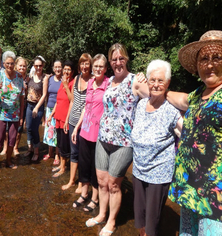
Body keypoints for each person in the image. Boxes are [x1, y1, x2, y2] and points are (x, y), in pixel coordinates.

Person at [167, 30, 222, 236]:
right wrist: (160, 91)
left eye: (217, 58)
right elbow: (181, 100)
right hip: (191, 200)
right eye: (203, 59)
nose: (209, 64)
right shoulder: (199, 93)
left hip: (221, 208)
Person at [85, 43, 149, 236]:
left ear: (126, 59)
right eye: (114, 59)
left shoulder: (135, 81)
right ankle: (101, 214)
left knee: (114, 184)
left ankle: (111, 222)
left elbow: (156, 97)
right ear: (110, 62)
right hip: (102, 138)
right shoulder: (109, 80)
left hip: (124, 143)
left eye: (121, 58)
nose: (118, 62)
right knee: (102, 181)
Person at [131, 59, 182, 236]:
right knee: (140, 215)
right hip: (138, 169)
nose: (156, 84)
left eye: (161, 81)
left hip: (159, 173)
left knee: (152, 220)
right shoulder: (140, 105)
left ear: (168, 83)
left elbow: (188, 134)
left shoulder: (171, 110)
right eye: (152, 80)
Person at [71, 54, 109, 211]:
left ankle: (94, 198)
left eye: (101, 66)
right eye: (96, 66)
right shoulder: (91, 82)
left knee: (96, 167)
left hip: (99, 134)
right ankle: (84, 194)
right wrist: (76, 127)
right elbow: (86, 108)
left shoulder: (109, 84)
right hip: (85, 131)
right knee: (84, 164)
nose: (98, 68)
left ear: (106, 68)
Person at [62, 53, 93, 192]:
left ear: (90, 65)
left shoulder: (93, 80)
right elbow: (72, 100)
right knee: (74, 152)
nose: (84, 66)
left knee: (83, 153)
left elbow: (88, 105)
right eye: (82, 63)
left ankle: (82, 183)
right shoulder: (76, 79)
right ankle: (71, 181)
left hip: (85, 123)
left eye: (87, 63)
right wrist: (67, 119)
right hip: (73, 120)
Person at [0, 51, 24, 172]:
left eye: (12, 63)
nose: (10, 66)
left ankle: (8, 160)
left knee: (12, 138)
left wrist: (21, 116)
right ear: (4, 63)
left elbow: (22, 97)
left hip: (15, 113)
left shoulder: (19, 77)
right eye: (7, 63)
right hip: (0, 113)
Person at [47, 60, 75, 178]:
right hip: (58, 117)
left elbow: (72, 100)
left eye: (69, 69)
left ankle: (63, 167)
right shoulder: (62, 82)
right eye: (65, 69)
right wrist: (51, 115)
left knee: (64, 145)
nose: (66, 71)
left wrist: (65, 86)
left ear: (72, 71)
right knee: (59, 142)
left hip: (65, 119)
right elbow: (58, 102)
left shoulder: (72, 83)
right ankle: (61, 165)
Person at [24, 56, 48, 161]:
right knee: (28, 128)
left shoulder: (44, 78)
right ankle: (30, 148)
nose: (38, 67)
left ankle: (37, 151)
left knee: (34, 129)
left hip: (38, 106)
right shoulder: (30, 76)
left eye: (40, 66)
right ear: (34, 66)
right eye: (36, 66)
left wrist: (37, 108)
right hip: (29, 105)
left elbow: (44, 95)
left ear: (43, 66)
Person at [42, 60, 63, 165]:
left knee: (57, 132)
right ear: (53, 68)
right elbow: (45, 95)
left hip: (59, 109)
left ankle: (56, 155)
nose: (58, 69)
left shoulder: (64, 80)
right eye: (56, 67)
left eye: (59, 67)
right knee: (49, 132)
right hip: (49, 108)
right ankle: (49, 152)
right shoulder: (49, 79)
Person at [13, 57, 29, 156]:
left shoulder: (28, 78)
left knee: (19, 127)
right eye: (20, 66)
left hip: (24, 104)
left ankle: (15, 147)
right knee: (8, 128)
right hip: (13, 104)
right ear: (16, 66)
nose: (22, 68)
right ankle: (6, 147)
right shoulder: (13, 76)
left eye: (24, 66)